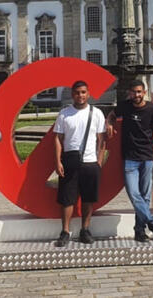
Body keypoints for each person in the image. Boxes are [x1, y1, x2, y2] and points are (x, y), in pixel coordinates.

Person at [108, 80, 153, 242]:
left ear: (144, 92)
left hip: (147, 157)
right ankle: (152, 222)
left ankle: (139, 230)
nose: (136, 95)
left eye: (139, 92)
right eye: (133, 92)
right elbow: (112, 115)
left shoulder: (152, 109)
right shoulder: (125, 106)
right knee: (134, 194)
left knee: (145, 196)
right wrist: (109, 123)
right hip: (130, 158)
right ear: (129, 93)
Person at [53, 80, 107, 247]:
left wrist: (99, 160)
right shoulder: (64, 114)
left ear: (88, 94)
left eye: (83, 92)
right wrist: (58, 161)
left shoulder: (96, 113)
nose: (80, 95)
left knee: (88, 198)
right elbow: (58, 139)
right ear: (72, 94)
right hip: (70, 160)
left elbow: (101, 139)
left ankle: (85, 230)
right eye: (77, 92)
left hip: (90, 162)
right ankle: (65, 231)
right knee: (67, 199)